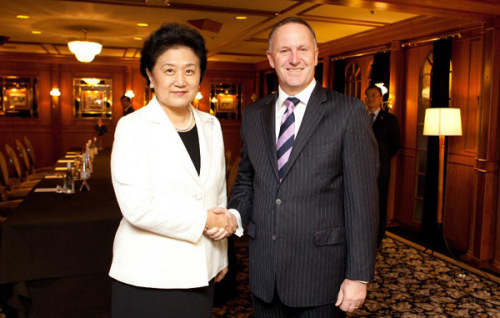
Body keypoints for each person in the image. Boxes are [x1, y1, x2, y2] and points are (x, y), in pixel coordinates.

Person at [224, 17, 379, 317]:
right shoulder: (254, 114)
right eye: (284, 51)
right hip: (264, 276)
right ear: (271, 58)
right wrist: (233, 215)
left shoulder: (348, 112)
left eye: (302, 49)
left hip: (321, 279)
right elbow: (246, 180)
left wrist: (358, 276)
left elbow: (363, 202)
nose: (294, 59)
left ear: (316, 55)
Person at [109, 23, 237, 318]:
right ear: (150, 76)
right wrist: (205, 219)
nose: (180, 80)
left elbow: (216, 194)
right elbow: (137, 208)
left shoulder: (211, 125)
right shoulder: (133, 127)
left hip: (199, 270)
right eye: (169, 70)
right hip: (148, 275)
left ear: (200, 76)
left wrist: (220, 255)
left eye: (190, 70)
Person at [364, 85, 401, 247]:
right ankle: (362, 233)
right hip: (360, 169)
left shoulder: (390, 120)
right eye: (368, 96)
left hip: (380, 170)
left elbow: (395, 145)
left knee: (379, 203)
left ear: (380, 98)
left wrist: (380, 159)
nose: (370, 98)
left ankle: (377, 237)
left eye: (374, 95)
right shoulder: (359, 117)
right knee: (362, 202)